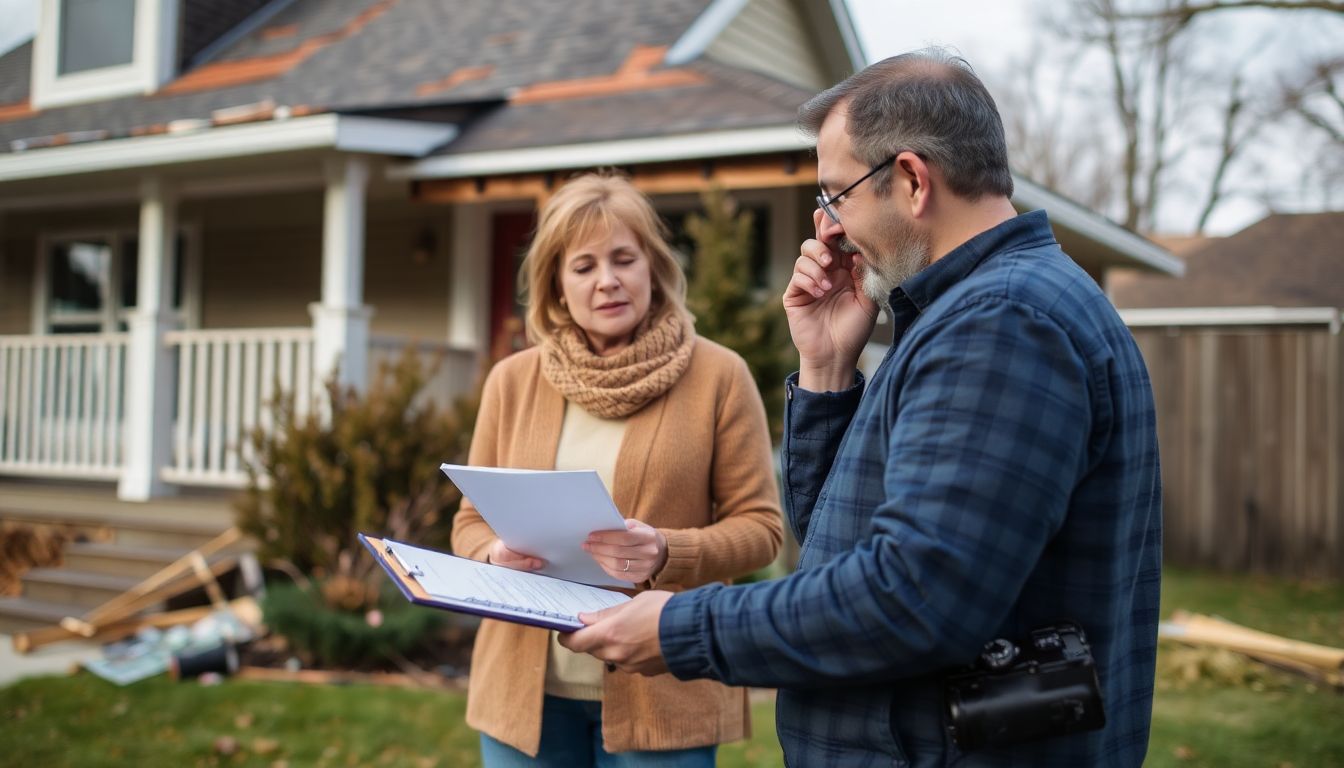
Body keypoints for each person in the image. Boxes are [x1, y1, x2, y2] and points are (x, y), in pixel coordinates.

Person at [561, 49, 1163, 767]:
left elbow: (913, 596)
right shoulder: (970, 315)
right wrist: (824, 369)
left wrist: (681, 627)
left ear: (910, 179)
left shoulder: (1001, 326)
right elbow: (836, 554)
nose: (830, 229)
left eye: (835, 195)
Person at [451, 173, 784, 767]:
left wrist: (665, 552)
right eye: (583, 266)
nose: (607, 281)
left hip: (664, 692)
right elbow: (469, 522)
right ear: (556, 284)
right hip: (522, 694)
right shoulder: (512, 381)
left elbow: (761, 529)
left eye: (623, 258)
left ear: (652, 267)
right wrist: (493, 556)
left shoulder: (719, 377)